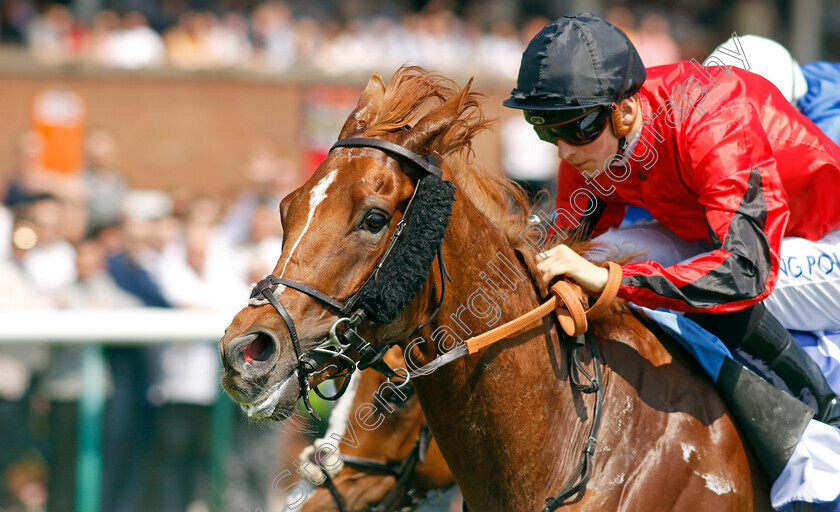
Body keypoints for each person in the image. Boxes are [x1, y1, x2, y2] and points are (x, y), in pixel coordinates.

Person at [503, 13, 840, 427]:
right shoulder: (592, 140)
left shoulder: (710, 118)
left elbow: (746, 273)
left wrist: (611, 282)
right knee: (584, 260)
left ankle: (826, 419)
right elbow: (562, 244)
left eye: (572, 130)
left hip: (821, 242)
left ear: (624, 112)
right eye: (543, 129)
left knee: (693, 292)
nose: (562, 152)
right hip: (732, 237)